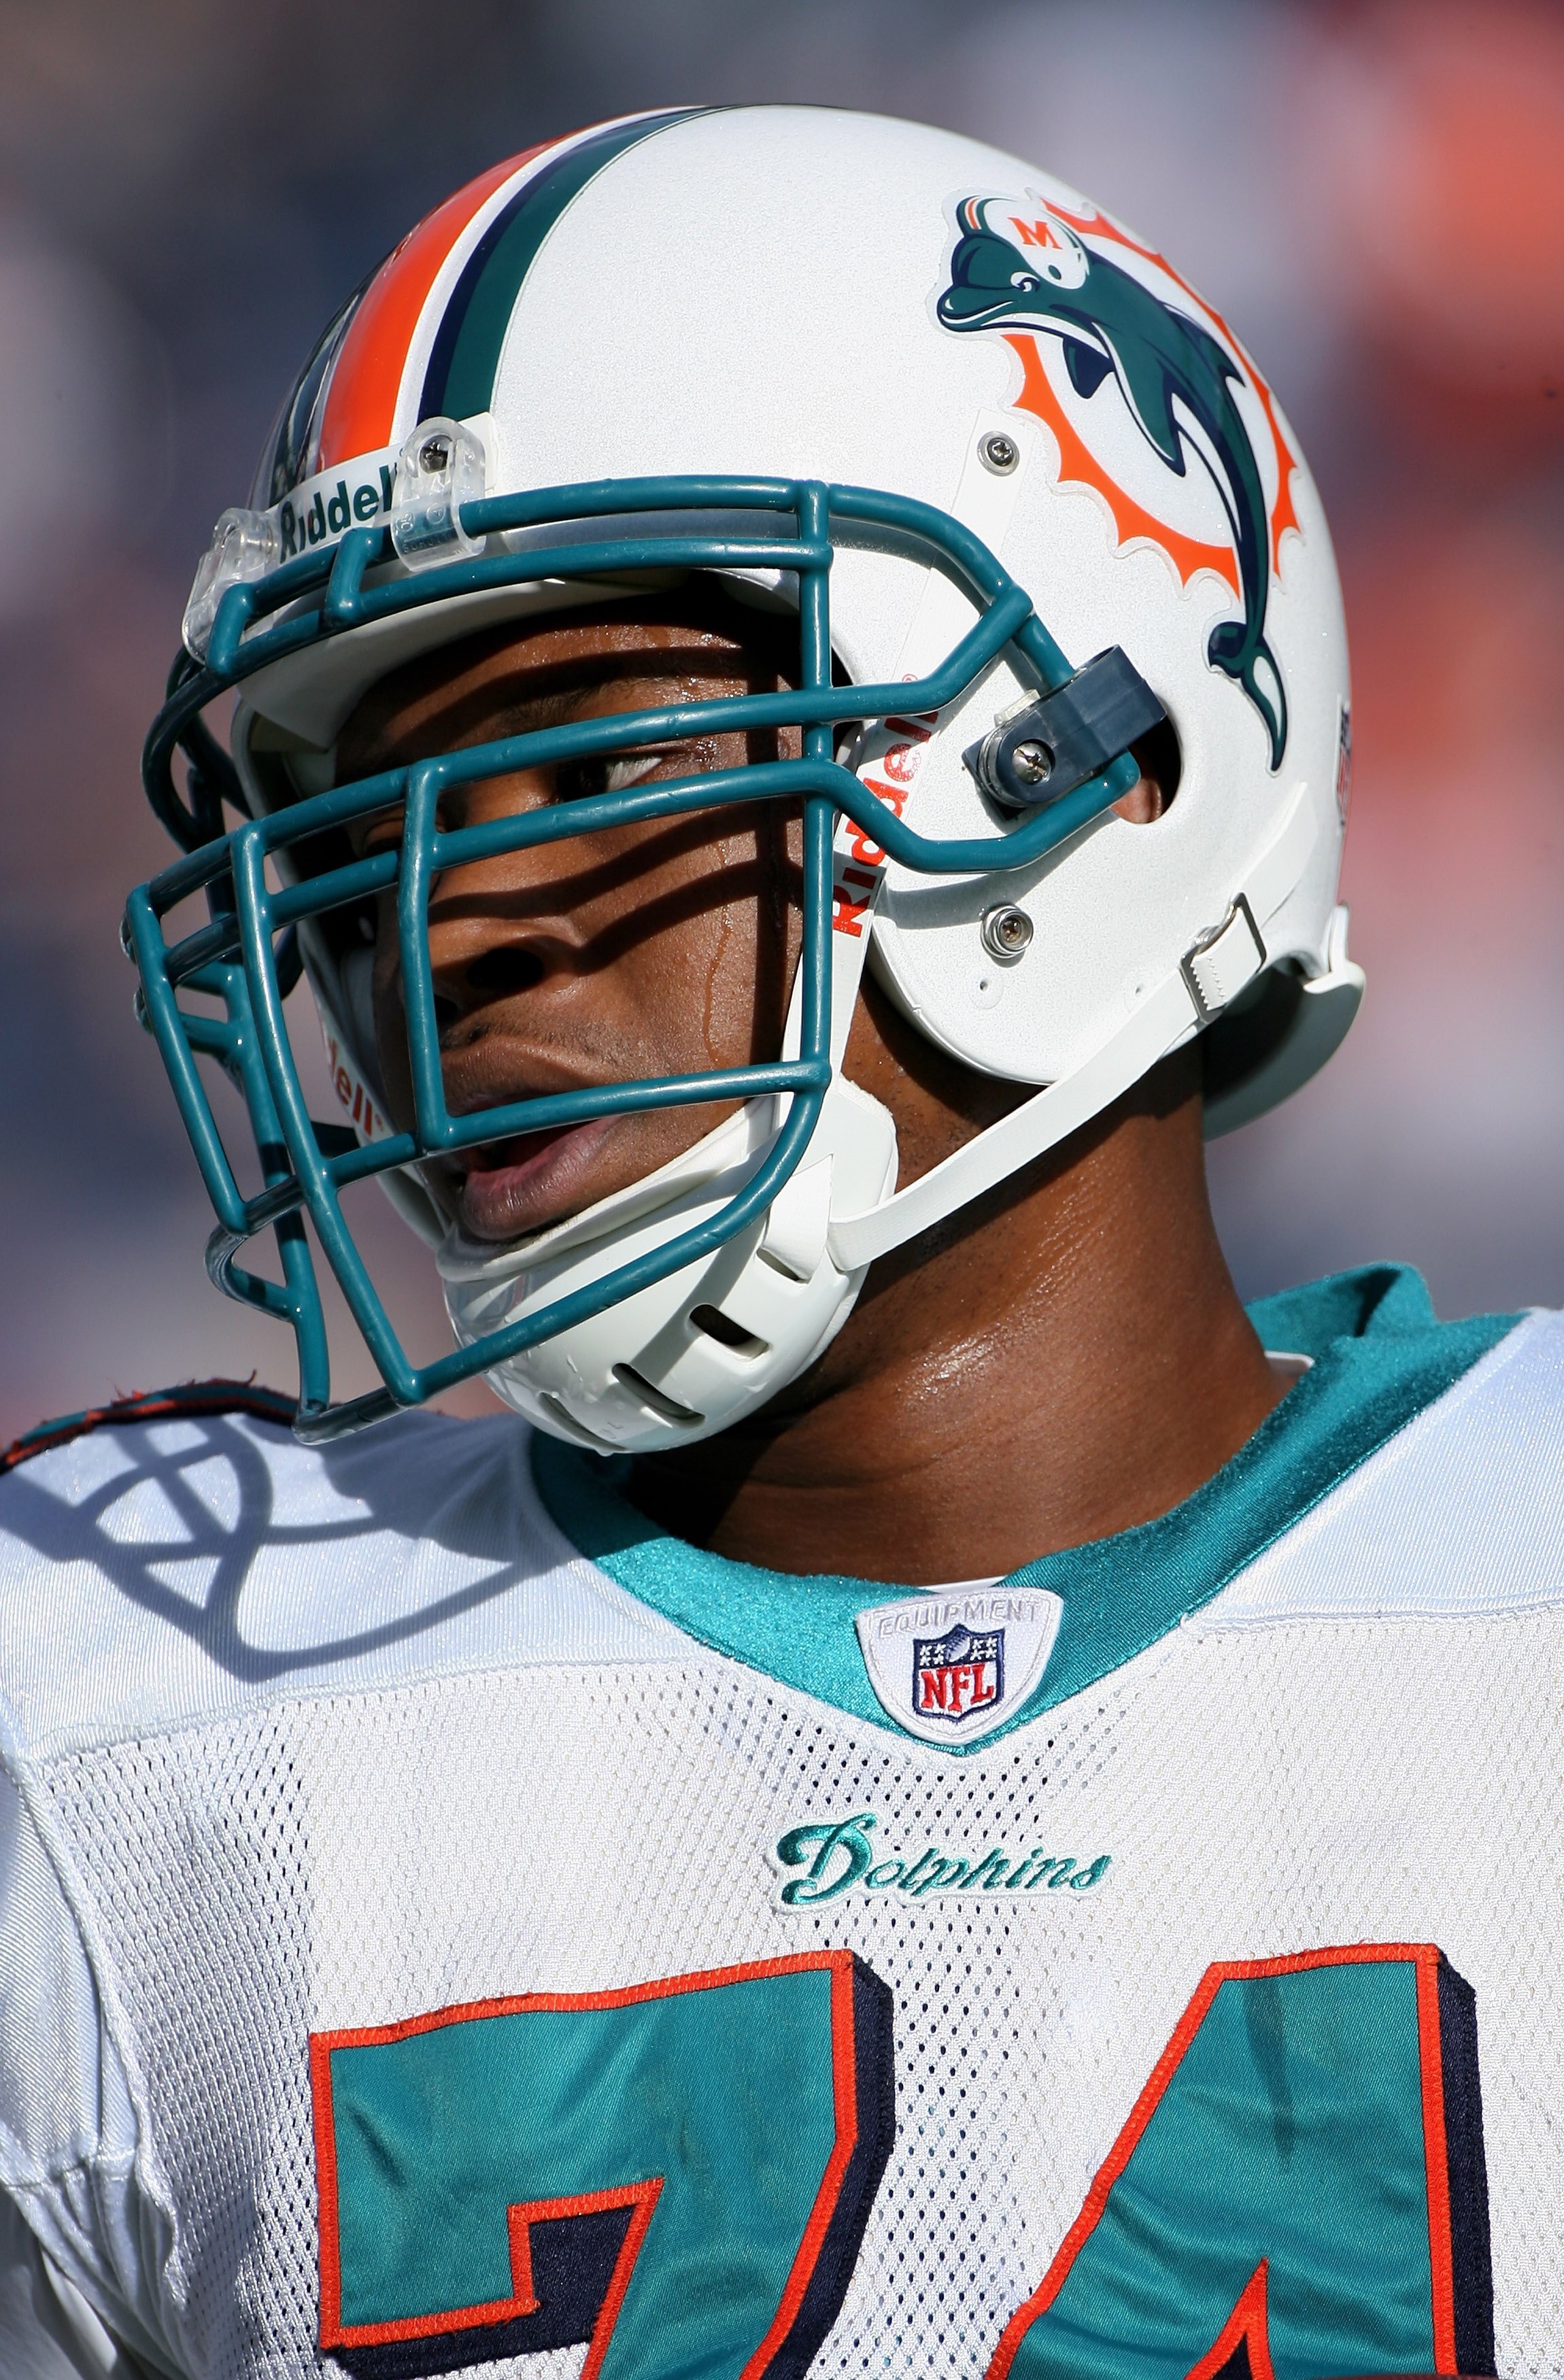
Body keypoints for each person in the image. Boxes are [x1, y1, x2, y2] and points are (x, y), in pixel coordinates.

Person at [0, 102, 1552, 2380]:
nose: (444, 933)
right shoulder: (112, 1701)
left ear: (1095, 766)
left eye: (596, 769)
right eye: (349, 838)